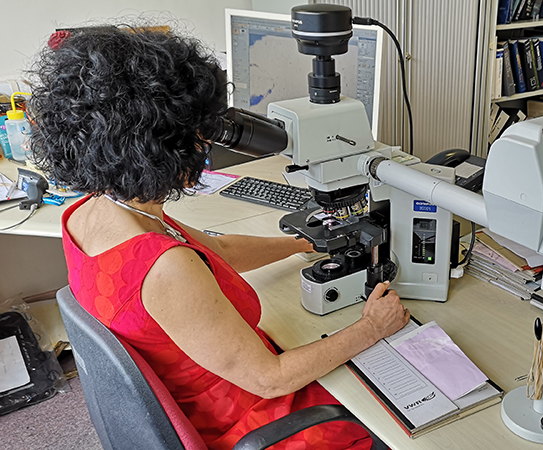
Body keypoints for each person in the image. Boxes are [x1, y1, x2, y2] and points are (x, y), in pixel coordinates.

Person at [29, 25, 409, 450]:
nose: (207, 142)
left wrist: (304, 243)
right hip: (247, 417)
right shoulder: (165, 268)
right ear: (160, 147)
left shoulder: (92, 210)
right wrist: (371, 328)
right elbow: (270, 379)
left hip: (201, 385)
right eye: (199, 132)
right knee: (394, 417)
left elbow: (219, 250)